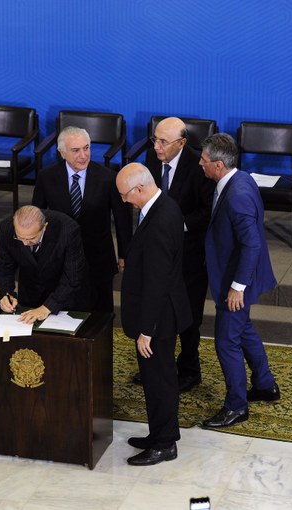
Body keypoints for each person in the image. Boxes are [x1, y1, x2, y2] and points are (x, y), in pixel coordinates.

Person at [199, 133, 280, 428]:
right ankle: (265, 385)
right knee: (244, 330)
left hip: (236, 282)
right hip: (237, 275)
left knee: (226, 343)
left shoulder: (237, 196)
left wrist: (237, 287)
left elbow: (252, 244)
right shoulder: (241, 179)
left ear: (219, 165)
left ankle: (236, 407)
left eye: (204, 160)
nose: (200, 164)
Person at [115, 163, 192, 466]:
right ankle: (158, 432)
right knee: (155, 380)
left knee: (160, 381)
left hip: (158, 321)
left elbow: (157, 281)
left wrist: (146, 329)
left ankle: (164, 444)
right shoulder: (162, 207)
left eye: (125, 195)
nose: (123, 201)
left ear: (141, 188)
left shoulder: (160, 219)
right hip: (160, 314)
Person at [132, 117, 215, 392]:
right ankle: (155, 364)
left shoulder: (198, 166)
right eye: (155, 139)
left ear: (181, 143)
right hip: (156, 253)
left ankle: (190, 369)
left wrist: (172, 224)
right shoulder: (151, 158)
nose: (157, 146)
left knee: (188, 315)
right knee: (154, 308)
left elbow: (206, 211)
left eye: (163, 142)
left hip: (190, 254)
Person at [32, 126, 132, 312]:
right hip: (61, 257)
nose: (83, 155)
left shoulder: (108, 178)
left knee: (101, 314)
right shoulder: (47, 177)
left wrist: (125, 253)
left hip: (98, 259)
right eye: (76, 150)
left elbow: (122, 219)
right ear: (62, 152)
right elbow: (36, 215)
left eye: (86, 148)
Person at [0, 205, 89, 324]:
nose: (25, 243)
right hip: (30, 294)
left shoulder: (68, 229)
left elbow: (73, 277)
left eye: (31, 239)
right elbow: (5, 267)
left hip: (65, 297)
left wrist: (47, 307)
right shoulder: (6, 227)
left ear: (44, 227)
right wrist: (6, 293)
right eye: (20, 238)